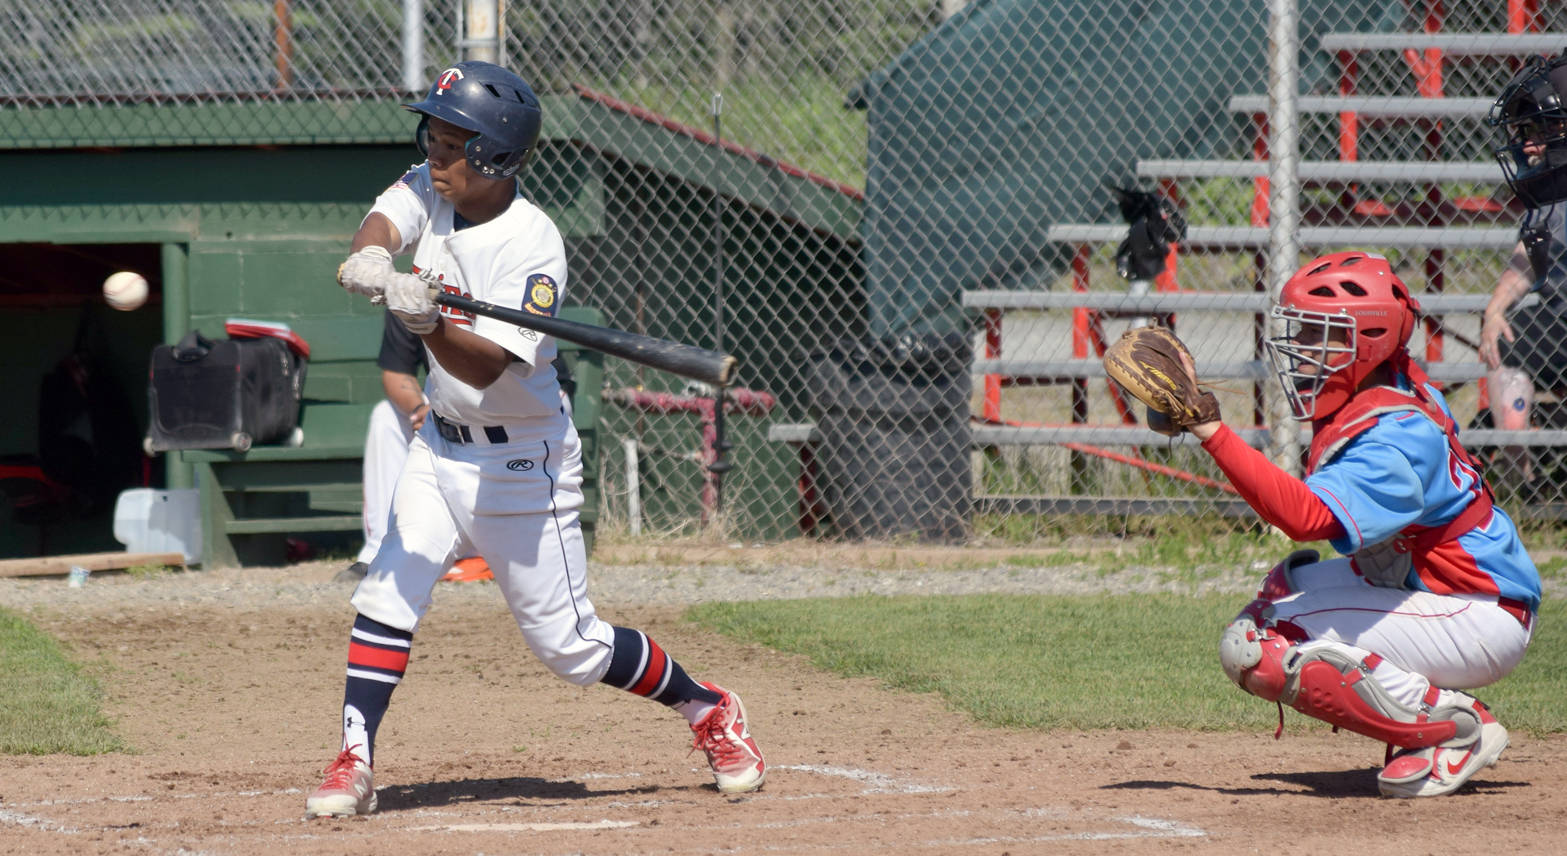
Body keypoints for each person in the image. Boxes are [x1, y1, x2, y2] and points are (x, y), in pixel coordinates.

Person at [305, 61, 765, 819]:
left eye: (454, 142)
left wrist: (427, 321)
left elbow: (485, 369)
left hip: (521, 461)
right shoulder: (432, 182)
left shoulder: (532, 245)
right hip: (439, 447)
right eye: (433, 135)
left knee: (572, 648)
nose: (436, 152)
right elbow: (386, 216)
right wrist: (375, 257)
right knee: (388, 588)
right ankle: (354, 758)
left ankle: (708, 706)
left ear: (496, 156)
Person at [1184, 251, 1538, 797]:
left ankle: (1453, 728)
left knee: (1257, 645)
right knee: (1280, 593)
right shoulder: (1383, 387)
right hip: (1441, 587)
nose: (1301, 350)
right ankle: (1432, 712)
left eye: (1318, 335)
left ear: (1365, 344)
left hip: (1476, 610)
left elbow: (1305, 518)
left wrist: (1212, 432)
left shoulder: (1393, 439)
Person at [1481, 49, 1567, 481]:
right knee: (1507, 341)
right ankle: (1522, 485)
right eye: (1523, 132)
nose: (1526, 146)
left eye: (1538, 131)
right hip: (1562, 322)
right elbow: (1526, 259)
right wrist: (1495, 308)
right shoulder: (1549, 197)